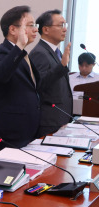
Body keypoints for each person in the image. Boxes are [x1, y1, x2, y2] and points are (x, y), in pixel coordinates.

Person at [0, 5, 40, 155]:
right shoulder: (1, 52)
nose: (36, 29)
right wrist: (20, 45)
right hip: (9, 132)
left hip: (25, 130)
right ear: (13, 29)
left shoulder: (21, 54)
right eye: (30, 25)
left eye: (36, 25)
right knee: (6, 177)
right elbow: (0, 76)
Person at [29, 9, 73, 137]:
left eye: (65, 25)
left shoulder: (55, 52)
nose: (65, 29)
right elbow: (39, 85)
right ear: (46, 29)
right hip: (49, 120)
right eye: (60, 25)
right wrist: (62, 66)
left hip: (61, 117)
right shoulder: (39, 53)